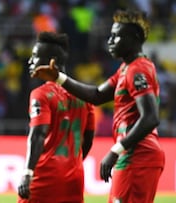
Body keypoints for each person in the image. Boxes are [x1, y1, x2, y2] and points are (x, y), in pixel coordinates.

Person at [31, 10, 165, 203]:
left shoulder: (138, 69)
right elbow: (96, 95)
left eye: (116, 36)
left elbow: (151, 117)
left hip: (139, 156)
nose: (110, 41)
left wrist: (115, 150)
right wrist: (58, 78)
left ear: (134, 38)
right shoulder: (126, 69)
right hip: (133, 156)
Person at [17, 32, 95, 203]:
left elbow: (38, 134)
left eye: (35, 56)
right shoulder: (84, 95)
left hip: (45, 177)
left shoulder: (41, 94)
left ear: (51, 61)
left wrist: (27, 173)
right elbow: (88, 139)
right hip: (75, 178)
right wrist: (74, 163)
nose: (30, 61)